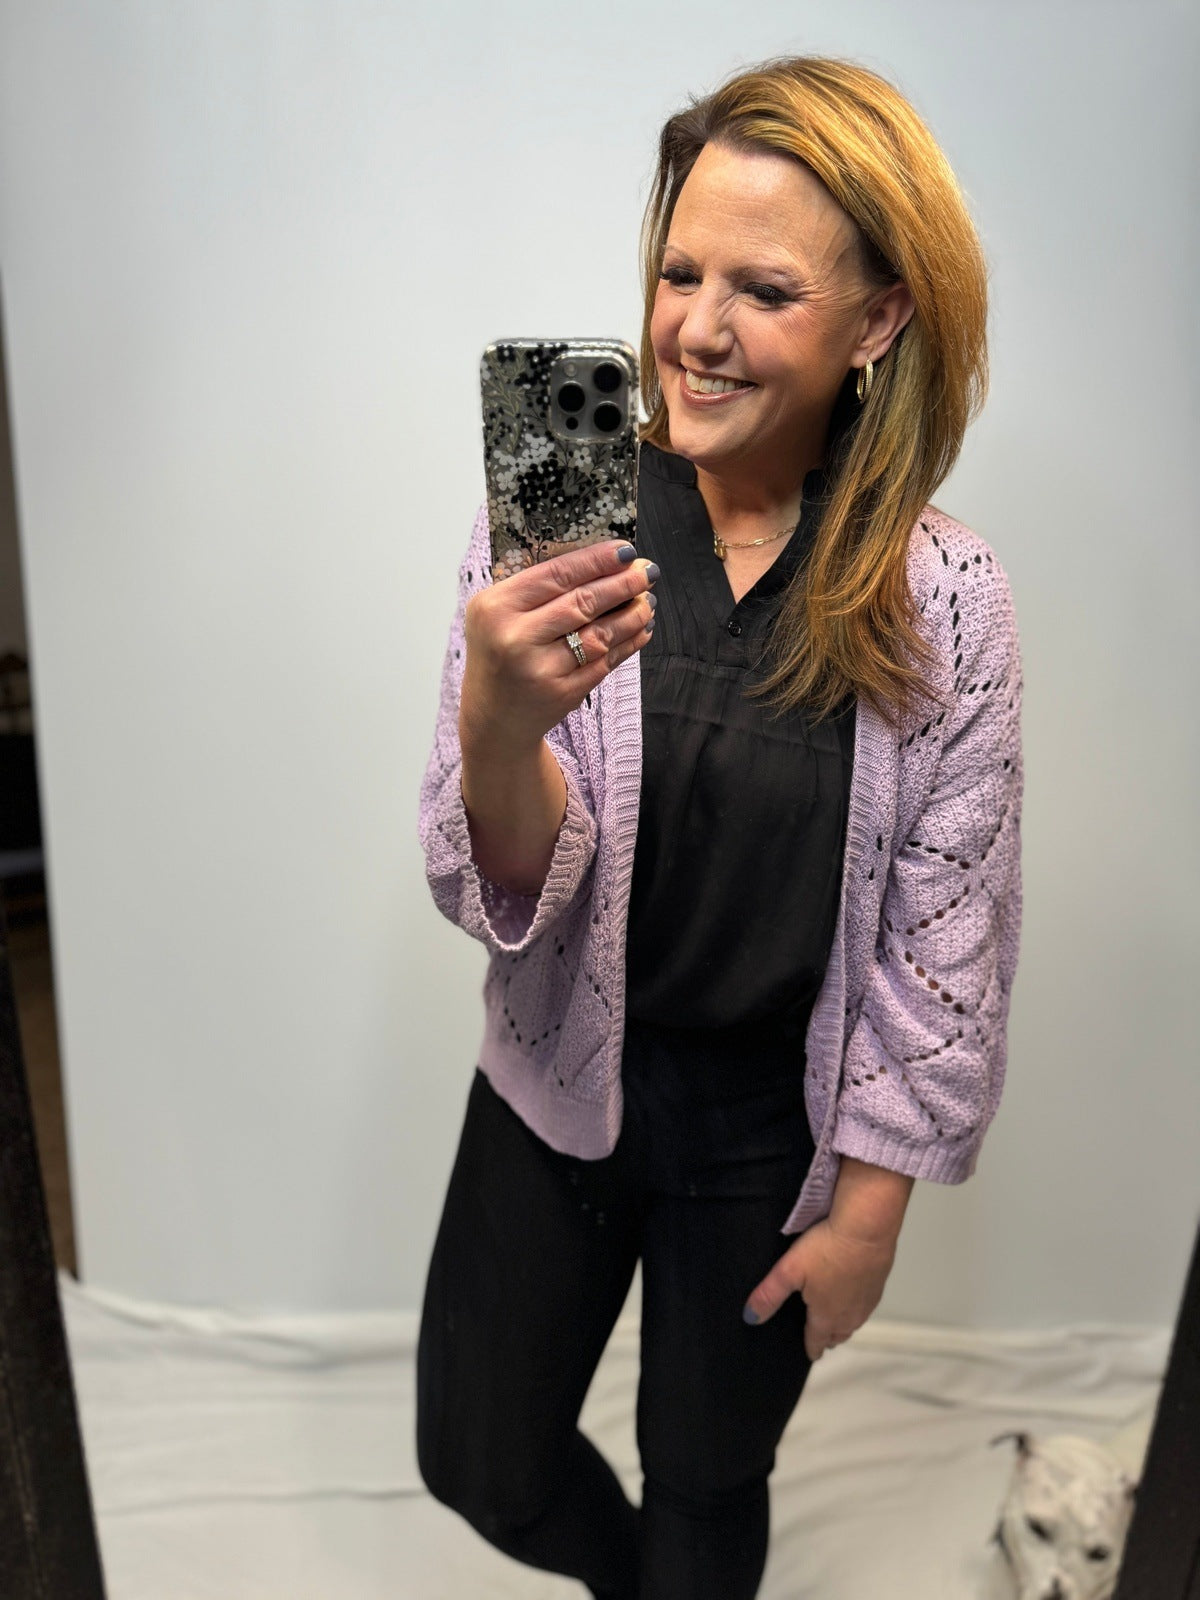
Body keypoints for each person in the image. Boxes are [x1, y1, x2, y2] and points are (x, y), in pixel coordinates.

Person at [415, 54, 1023, 1600]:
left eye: (764, 289)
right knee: (479, 1457)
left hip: (768, 1140)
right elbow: (497, 885)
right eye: (681, 271)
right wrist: (499, 723)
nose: (694, 326)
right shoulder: (562, 499)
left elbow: (943, 937)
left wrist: (871, 1214)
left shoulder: (944, 595)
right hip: (556, 1085)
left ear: (878, 322)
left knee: (706, 1481)